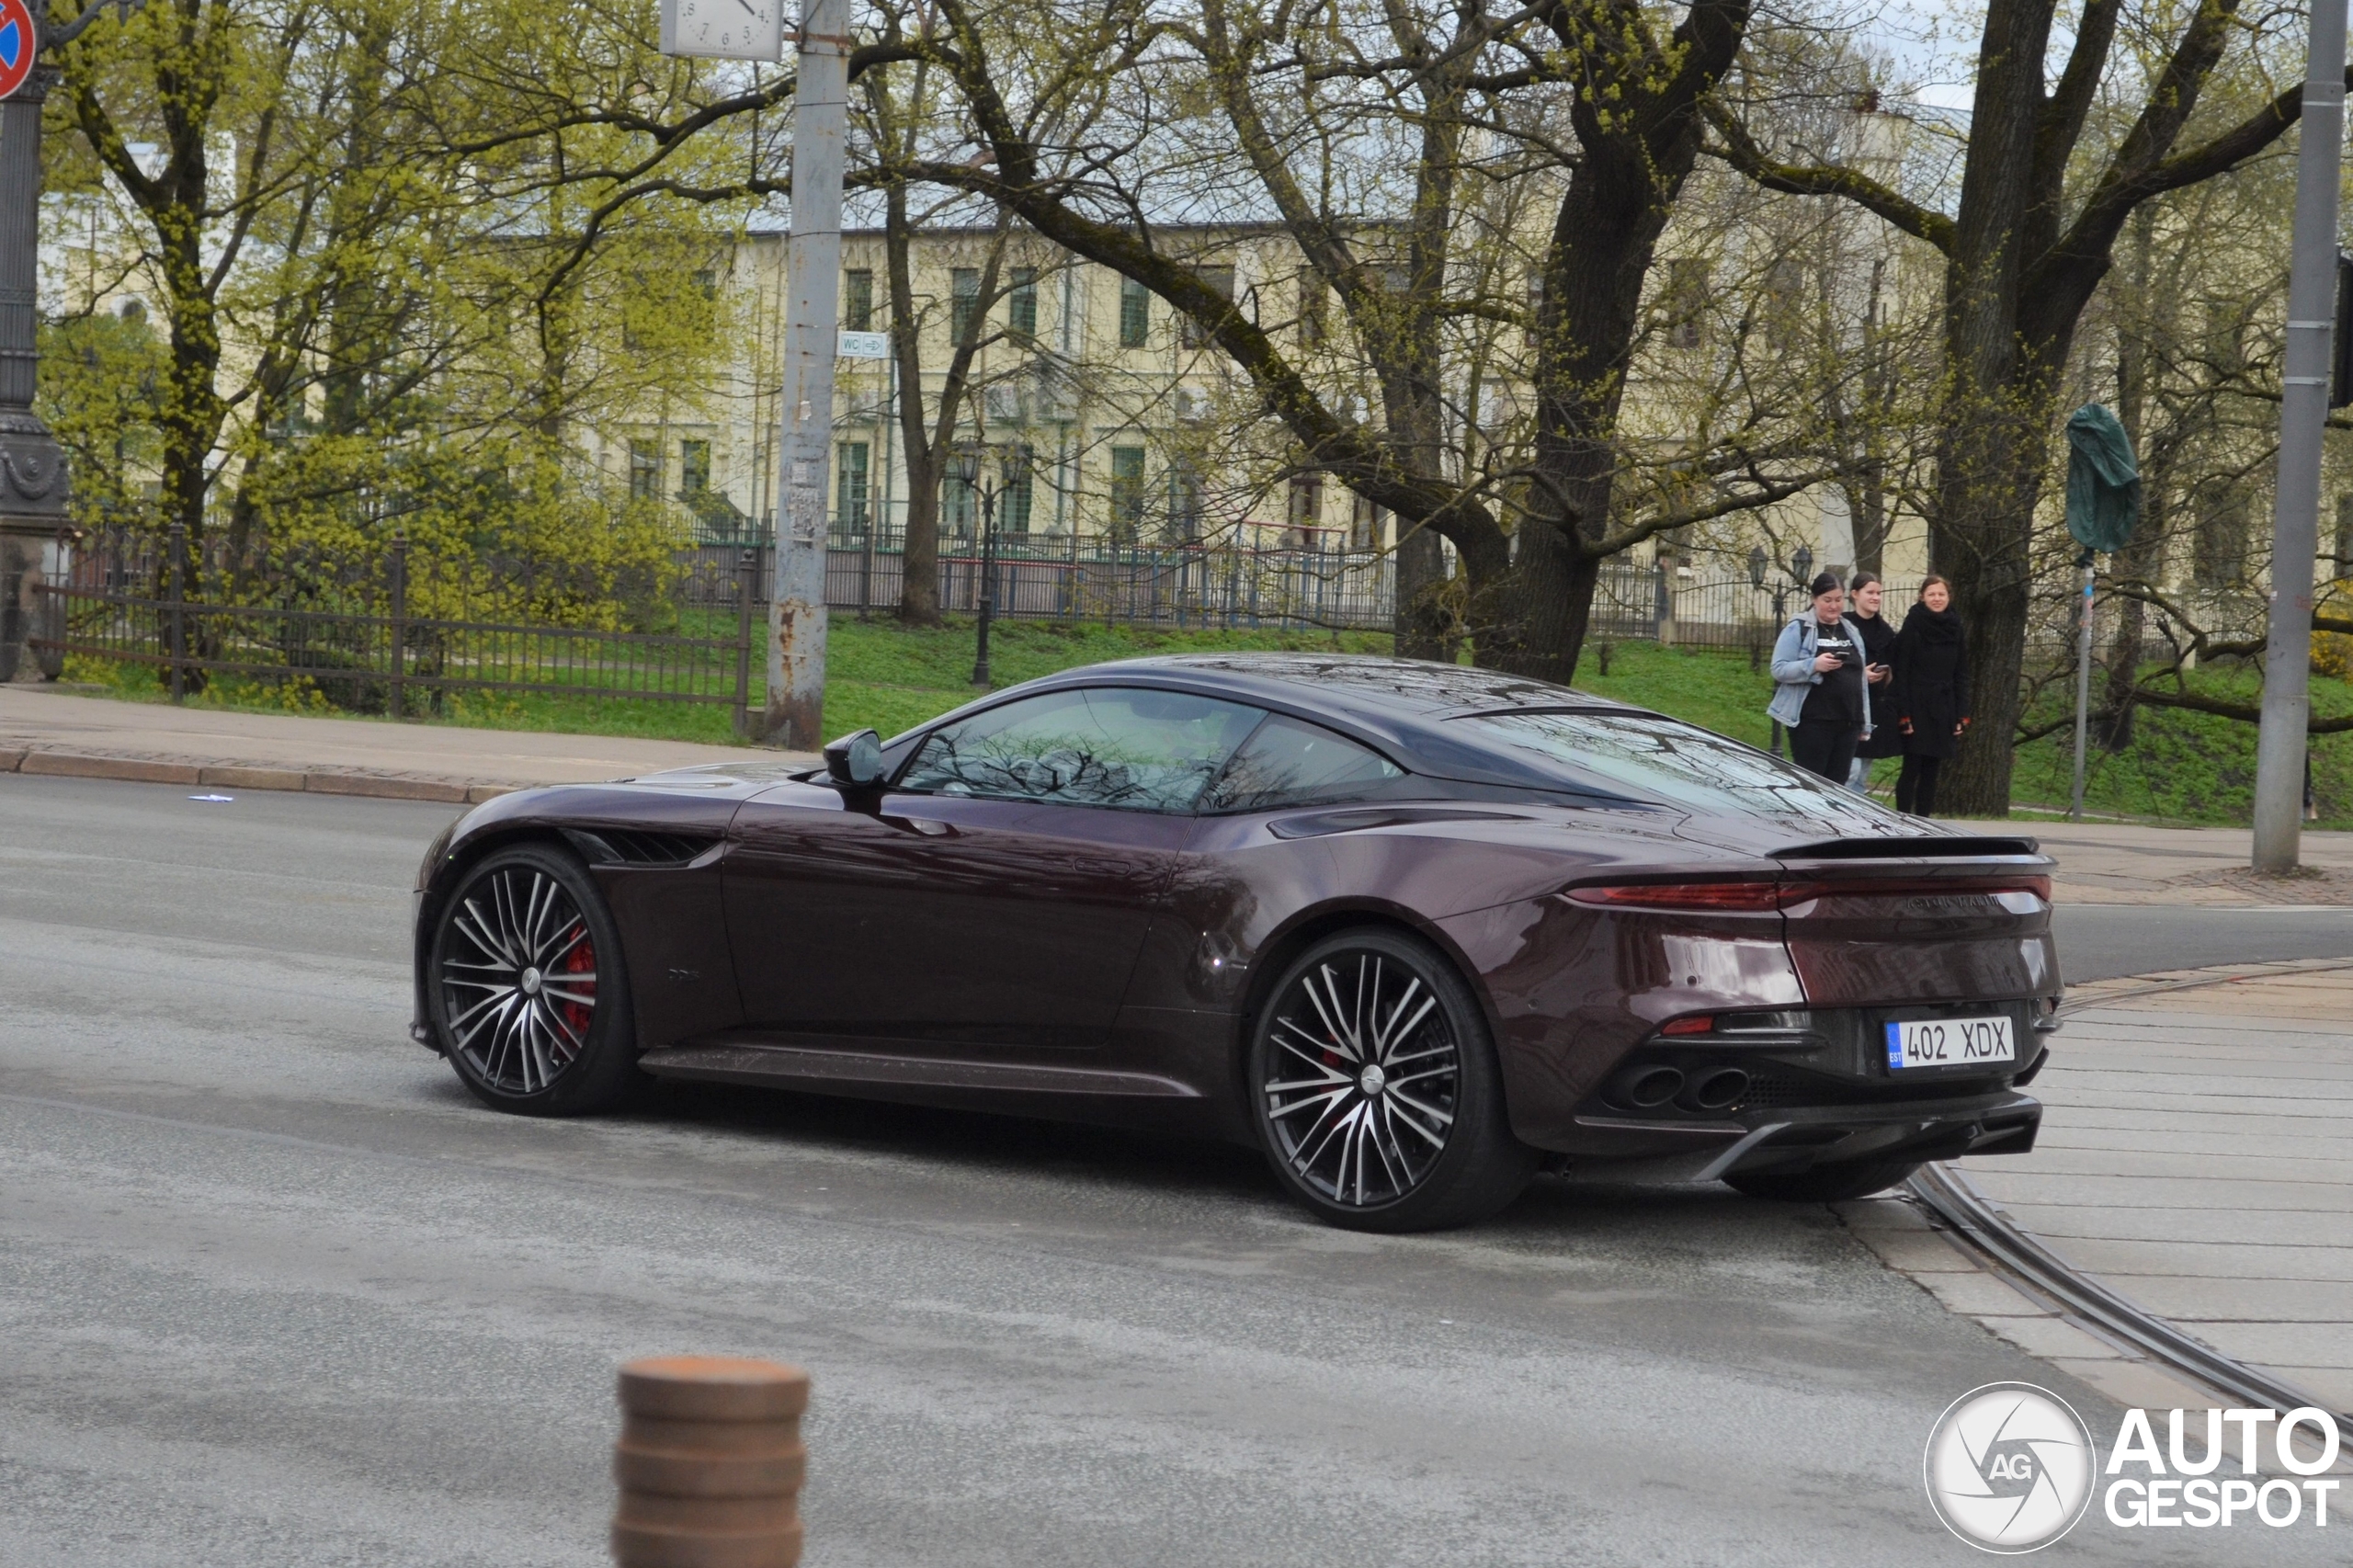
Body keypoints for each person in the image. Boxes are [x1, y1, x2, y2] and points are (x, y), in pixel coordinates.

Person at [1768, 571, 1872, 784]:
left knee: (1838, 786)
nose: (1833, 606)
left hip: (1848, 722)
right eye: (1827, 600)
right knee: (1812, 784)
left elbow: (1860, 680)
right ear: (1814, 599)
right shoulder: (1800, 628)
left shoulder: (1850, 629)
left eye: (1838, 600)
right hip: (1813, 722)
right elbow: (1779, 669)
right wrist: (1813, 665)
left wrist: (1864, 721)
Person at [1890, 574, 1970, 815]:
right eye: (1931, 594)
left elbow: (1961, 673)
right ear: (1922, 597)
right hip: (1916, 705)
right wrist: (1904, 713)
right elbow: (1901, 671)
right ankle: (1902, 819)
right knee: (1912, 767)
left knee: (1932, 771)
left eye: (1941, 594)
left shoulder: (1956, 626)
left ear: (1949, 597)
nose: (1937, 599)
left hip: (1943, 706)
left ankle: (1923, 822)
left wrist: (1962, 714)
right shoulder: (1913, 625)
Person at [1846, 571, 1900, 793]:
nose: (1876, 597)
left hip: (1875, 706)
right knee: (1850, 770)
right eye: (1870, 592)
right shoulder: (1845, 626)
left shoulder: (1885, 630)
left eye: (1879, 593)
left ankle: (1854, 818)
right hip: (1849, 706)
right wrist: (1860, 675)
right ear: (1855, 594)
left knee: (1863, 771)